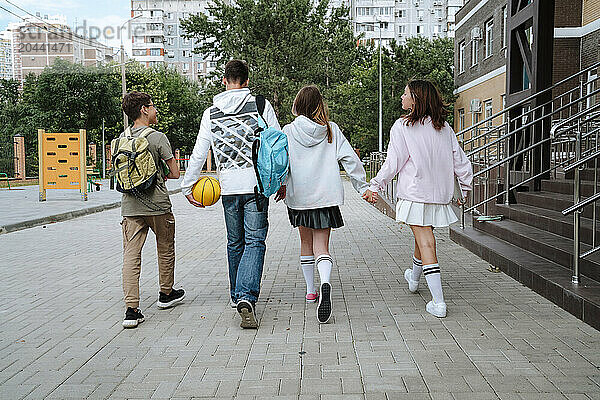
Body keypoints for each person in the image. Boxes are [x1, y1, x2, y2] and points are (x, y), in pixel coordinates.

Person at [181, 60, 280, 329]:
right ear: (246, 81)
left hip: (227, 188)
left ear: (224, 80)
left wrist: (187, 186)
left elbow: (200, 152)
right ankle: (246, 296)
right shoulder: (260, 105)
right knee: (255, 242)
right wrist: (281, 181)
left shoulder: (211, 113)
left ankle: (238, 295)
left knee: (235, 242)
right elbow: (277, 144)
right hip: (256, 185)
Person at [363, 80, 473, 318]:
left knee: (426, 242)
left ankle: (438, 301)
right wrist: (464, 189)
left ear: (416, 99)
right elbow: (461, 162)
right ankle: (413, 278)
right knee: (422, 238)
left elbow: (394, 162)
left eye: (405, 94)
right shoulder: (444, 128)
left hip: (416, 193)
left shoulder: (403, 126)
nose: (401, 98)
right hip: (439, 195)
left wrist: (375, 185)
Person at [277, 85, 369, 324]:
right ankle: (325, 281)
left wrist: (279, 185)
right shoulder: (331, 130)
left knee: (305, 243)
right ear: (318, 105)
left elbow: (281, 163)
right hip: (325, 198)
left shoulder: (288, 130)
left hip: (300, 198)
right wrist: (362, 186)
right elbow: (350, 159)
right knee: (322, 247)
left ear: (298, 104)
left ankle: (311, 291)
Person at [119, 91, 184, 329]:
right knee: (165, 248)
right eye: (152, 106)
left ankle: (131, 310)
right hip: (157, 205)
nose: (155, 109)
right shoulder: (157, 138)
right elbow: (175, 173)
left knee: (131, 255)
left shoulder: (120, 139)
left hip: (129, 206)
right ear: (144, 110)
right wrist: (161, 174)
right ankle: (166, 294)